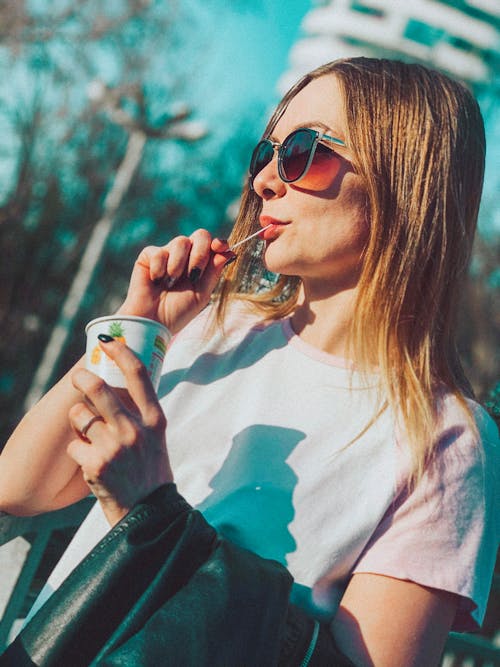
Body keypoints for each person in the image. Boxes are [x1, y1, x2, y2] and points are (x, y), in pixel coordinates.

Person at [0, 57, 498, 666]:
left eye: (303, 152)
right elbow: (21, 487)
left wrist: (156, 522)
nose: (265, 179)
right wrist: (141, 327)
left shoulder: (447, 438)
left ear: (405, 180)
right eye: (265, 153)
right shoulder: (209, 330)